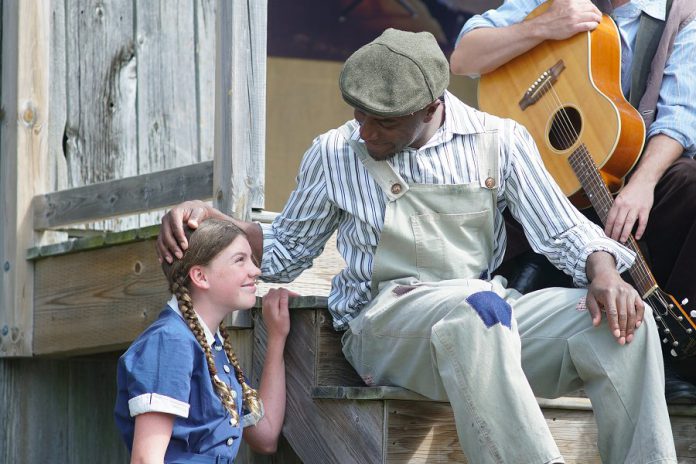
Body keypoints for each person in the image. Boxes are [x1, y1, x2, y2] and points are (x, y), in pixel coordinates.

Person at [158, 29, 676, 463]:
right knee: (481, 312)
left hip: (487, 317)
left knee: (625, 325)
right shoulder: (336, 152)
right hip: (384, 329)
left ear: (432, 107)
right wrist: (215, 222)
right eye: (358, 114)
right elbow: (287, 249)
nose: (364, 131)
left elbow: (564, 232)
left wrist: (604, 272)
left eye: (382, 121)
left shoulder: (501, 141)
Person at [451, 0, 696, 401]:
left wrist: (642, 185)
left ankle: (673, 353)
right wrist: (542, 26)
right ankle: (513, 326)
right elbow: (464, 57)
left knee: (689, 182)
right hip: (551, 173)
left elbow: (681, 115)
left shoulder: (684, 14)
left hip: (633, 167)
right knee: (506, 176)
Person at [115, 219, 292, 463]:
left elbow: (266, 435)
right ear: (200, 276)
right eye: (240, 260)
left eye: (252, 259)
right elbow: (146, 459)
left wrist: (277, 336)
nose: (255, 270)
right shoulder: (170, 341)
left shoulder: (212, 345)